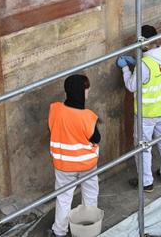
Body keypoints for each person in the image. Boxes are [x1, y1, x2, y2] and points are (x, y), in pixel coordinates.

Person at [116, 25, 161, 193]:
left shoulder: (144, 64)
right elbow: (157, 73)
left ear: (145, 43)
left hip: (146, 114)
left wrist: (125, 68)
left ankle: (146, 182)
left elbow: (131, 86)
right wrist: (137, 64)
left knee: (143, 148)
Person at [48, 74, 101, 237]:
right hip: (87, 165)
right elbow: (96, 138)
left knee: (63, 198)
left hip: (63, 165)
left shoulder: (55, 109)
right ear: (81, 91)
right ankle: (88, 228)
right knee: (90, 194)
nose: (89, 90)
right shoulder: (88, 117)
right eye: (87, 88)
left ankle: (59, 231)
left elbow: (52, 128)